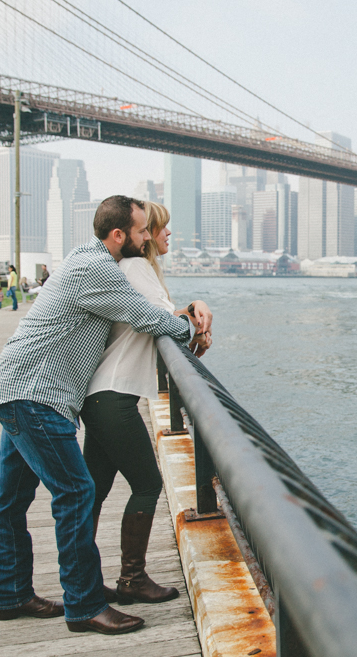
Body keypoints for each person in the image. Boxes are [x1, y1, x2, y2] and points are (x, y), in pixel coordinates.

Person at [0, 195, 212, 635]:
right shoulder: (97, 270)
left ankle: (11, 593)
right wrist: (192, 327)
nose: (148, 237)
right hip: (36, 395)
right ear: (118, 235)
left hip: (16, 387)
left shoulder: (86, 259)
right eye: (143, 231)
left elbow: (145, 310)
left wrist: (184, 311)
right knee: (76, 493)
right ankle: (85, 604)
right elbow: (146, 317)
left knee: (11, 502)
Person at [83, 201, 211, 606]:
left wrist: (193, 308)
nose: (168, 235)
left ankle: (83, 581)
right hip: (115, 396)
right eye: (162, 229)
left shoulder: (134, 272)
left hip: (103, 394)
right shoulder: (136, 269)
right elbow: (159, 322)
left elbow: (161, 313)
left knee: (94, 491)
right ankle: (132, 579)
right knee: (147, 483)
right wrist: (193, 319)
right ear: (148, 235)